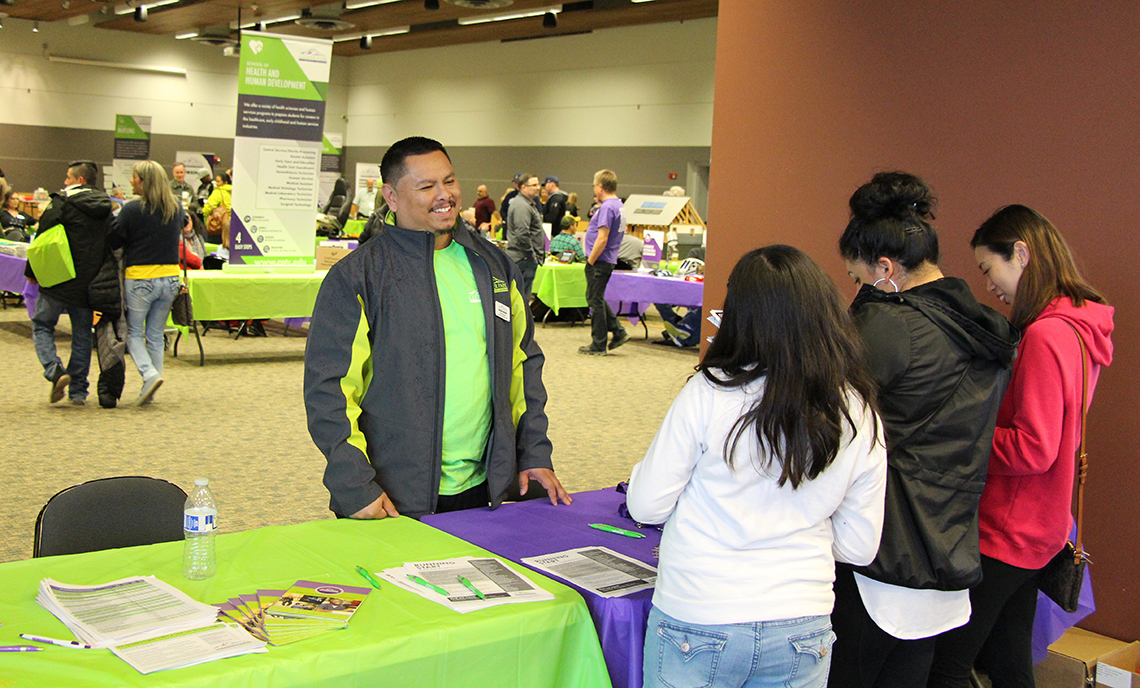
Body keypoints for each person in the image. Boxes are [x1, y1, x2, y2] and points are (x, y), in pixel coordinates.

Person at [628, 244, 888, 688]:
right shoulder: (857, 410)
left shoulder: (709, 393)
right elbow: (859, 547)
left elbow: (647, 506)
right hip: (801, 623)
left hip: (700, 613)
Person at [303, 136, 571, 520]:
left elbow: (523, 365)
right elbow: (329, 390)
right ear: (392, 197)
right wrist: (353, 485)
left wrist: (534, 453)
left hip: (484, 488)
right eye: (427, 186)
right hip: (393, 497)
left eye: (449, 181)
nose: (444, 195)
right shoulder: (358, 277)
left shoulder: (493, 266)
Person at [829, 172, 1020, 688]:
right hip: (947, 549)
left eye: (858, 278)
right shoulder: (985, 329)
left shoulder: (889, 327)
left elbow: (826, 422)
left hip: (880, 552)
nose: (858, 291)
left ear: (886, 269)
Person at [926, 206, 1114, 688]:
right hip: (1042, 526)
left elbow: (1034, 447)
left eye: (990, 269)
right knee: (1009, 663)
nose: (989, 286)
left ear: (1022, 254)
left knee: (947, 664)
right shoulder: (1079, 327)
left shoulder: (1047, 334)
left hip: (1008, 528)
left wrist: (965, 439)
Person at [24, 161, 114, 405]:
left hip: (58, 278)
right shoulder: (107, 208)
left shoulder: (60, 203)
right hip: (88, 282)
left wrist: (31, 270)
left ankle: (54, 370)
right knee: (82, 335)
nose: (64, 182)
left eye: (67, 178)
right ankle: (78, 392)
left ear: (79, 180)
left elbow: (42, 239)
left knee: (42, 325)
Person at [108, 160, 186, 406]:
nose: (131, 181)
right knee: (155, 334)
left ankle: (149, 374)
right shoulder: (176, 208)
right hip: (171, 278)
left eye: (134, 178)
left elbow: (114, 238)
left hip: (141, 279)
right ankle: (150, 388)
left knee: (133, 333)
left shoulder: (131, 210)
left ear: (145, 181)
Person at [579, 169, 629, 355]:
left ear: (600, 187)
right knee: (596, 297)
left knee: (594, 301)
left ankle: (599, 344)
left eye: (594, 185)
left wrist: (590, 261)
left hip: (599, 260)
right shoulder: (619, 205)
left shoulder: (607, 207)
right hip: (607, 258)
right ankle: (618, 331)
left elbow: (602, 237)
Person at [505, 174, 545, 301]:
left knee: (522, 299)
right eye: (533, 185)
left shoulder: (526, 204)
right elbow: (522, 233)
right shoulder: (522, 205)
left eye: (538, 184)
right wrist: (531, 254)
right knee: (521, 300)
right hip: (523, 258)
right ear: (523, 187)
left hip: (524, 257)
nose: (537, 188)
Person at [202, 171, 232, 246]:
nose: (216, 183)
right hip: (231, 225)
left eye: (218, 181)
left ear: (225, 182)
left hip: (219, 226)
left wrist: (205, 214)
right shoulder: (234, 191)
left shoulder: (218, 192)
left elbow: (207, 209)